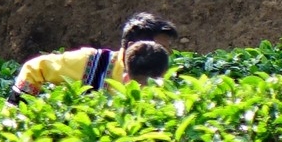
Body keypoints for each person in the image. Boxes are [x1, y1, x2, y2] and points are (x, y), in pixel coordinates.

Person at [9, 39, 171, 103]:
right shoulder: (90, 62)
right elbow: (35, 67)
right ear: (127, 79)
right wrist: (18, 110)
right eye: (145, 86)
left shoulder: (160, 95)